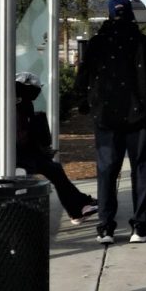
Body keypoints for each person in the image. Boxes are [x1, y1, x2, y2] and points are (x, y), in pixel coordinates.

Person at [76, 0, 146, 244]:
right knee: (142, 170)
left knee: (106, 171)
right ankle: (140, 227)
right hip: (140, 118)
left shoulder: (96, 44)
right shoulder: (143, 43)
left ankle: (105, 227)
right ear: (131, 14)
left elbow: (82, 79)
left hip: (106, 118)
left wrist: (88, 105)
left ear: (108, 14)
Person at [14, 72, 98, 224]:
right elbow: (23, 137)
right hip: (18, 156)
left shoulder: (20, 102)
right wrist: (40, 148)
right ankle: (80, 207)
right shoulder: (21, 104)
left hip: (21, 154)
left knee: (55, 170)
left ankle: (80, 206)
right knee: (55, 170)